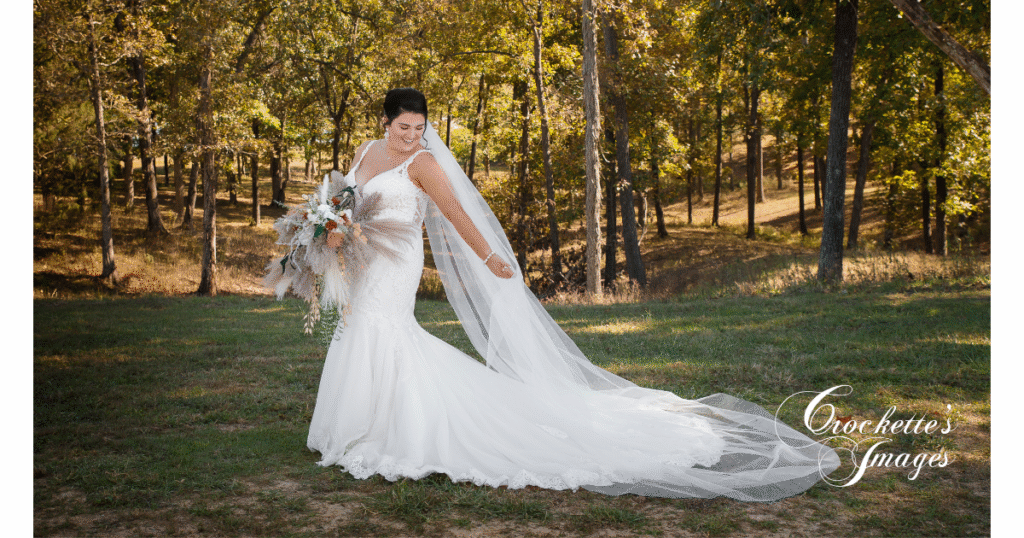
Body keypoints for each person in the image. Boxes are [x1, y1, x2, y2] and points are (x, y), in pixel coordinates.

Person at [305, 87, 840, 502]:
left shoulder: (421, 163)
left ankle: (398, 428)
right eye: (403, 127)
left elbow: (455, 214)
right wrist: (332, 226)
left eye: (420, 128)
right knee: (359, 328)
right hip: (363, 260)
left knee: (386, 329)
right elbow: (347, 199)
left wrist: (492, 257)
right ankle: (363, 423)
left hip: (397, 265)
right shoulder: (367, 149)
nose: (411, 137)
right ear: (384, 123)